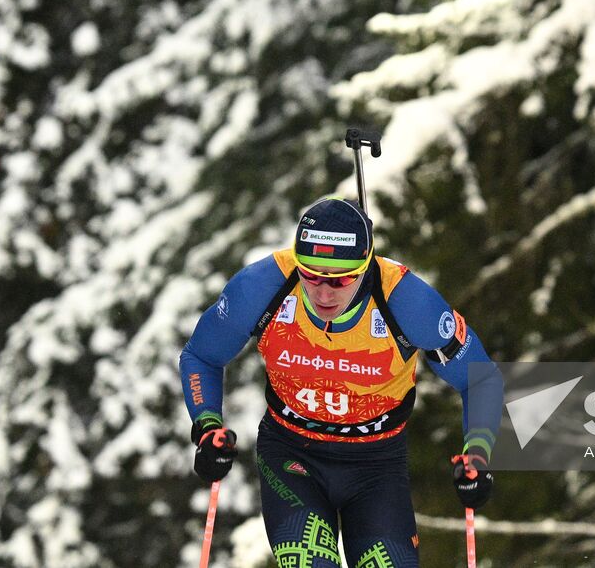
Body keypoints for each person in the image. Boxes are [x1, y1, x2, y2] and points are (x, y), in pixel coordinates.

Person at [180, 196, 502, 568]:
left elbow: (480, 379)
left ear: (366, 266)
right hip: (292, 455)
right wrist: (206, 426)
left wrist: (477, 453)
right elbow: (201, 355)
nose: (323, 292)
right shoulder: (262, 287)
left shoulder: (408, 302)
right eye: (310, 275)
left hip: (376, 467)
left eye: (340, 279)